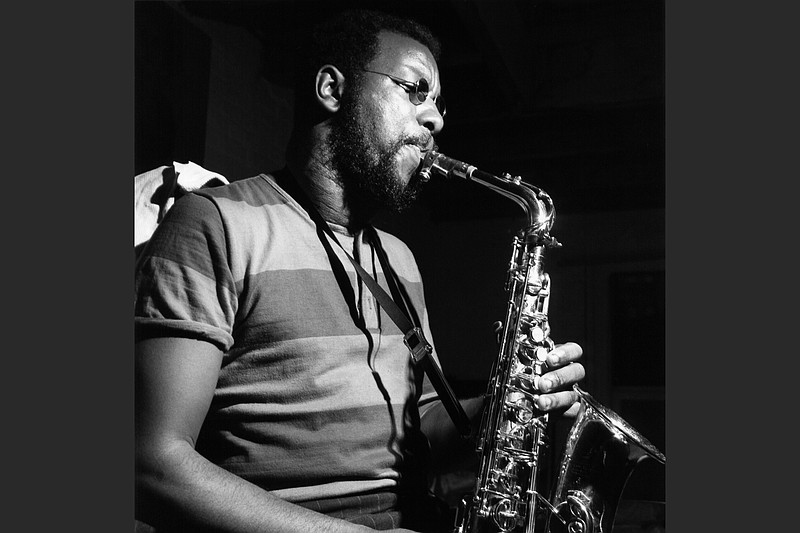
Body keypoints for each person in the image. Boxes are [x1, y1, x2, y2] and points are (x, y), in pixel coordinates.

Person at [134, 8, 585, 533]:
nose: (436, 119)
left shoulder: (399, 259)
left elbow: (421, 430)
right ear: (332, 88)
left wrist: (507, 409)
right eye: (415, 90)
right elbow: (150, 463)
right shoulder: (216, 223)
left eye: (437, 103)